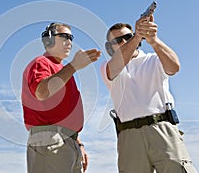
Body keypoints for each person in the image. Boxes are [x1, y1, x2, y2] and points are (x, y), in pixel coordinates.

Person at [100, 15, 197, 172]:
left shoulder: (154, 59)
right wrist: (138, 35)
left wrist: (153, 41)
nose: (124, 42)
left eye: (127, 37)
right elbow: (114, 67)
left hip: (162, 129)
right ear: (110, 47)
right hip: (129, 135)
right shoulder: (108, 67)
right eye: (118, 41)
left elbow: (174, 67)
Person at [21, 22, 101, 173]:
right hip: (50, 139)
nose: (69, 42)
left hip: (69, 141)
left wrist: (79, 144)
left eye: (71, 38)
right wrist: (73, 66)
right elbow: (41, 92)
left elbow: (64, 114)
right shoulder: (41, 62)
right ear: (49, 40)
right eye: (64, 36)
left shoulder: (63, 71)